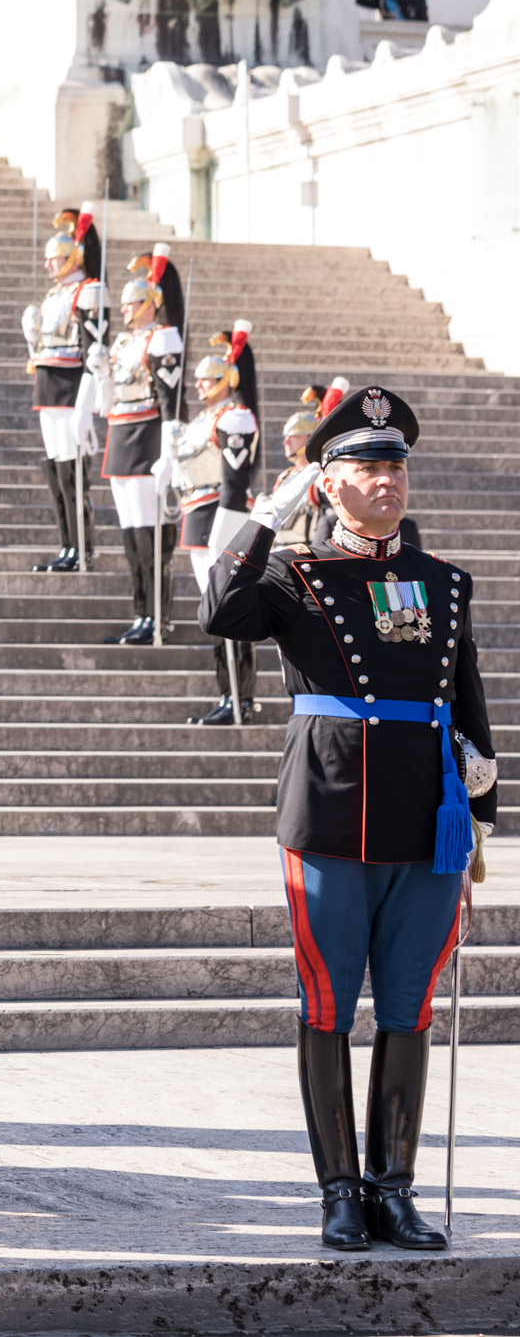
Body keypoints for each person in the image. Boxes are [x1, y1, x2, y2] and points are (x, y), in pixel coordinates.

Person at [202, 386, 496, 1253]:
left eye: (394, 466)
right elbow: (221, 608)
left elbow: (466, 694)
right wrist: (265, 515)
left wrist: (481, 809)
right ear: (327, 483)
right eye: (366, 467)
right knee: (329, 1002)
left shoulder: (444, 581)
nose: (386, 481)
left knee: (407, 1006)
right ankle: (338, 1191)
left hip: (428, 821)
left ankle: (392, 1189)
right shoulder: (294, 575)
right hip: (331, 811)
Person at [169, 324, 262, 726]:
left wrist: (227, 522)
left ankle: (241, 695)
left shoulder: (235, 417)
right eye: (199, 378)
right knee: (213, 611)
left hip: (222, 515)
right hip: (196, 516)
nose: (200, 384)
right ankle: (226, 692)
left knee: (231, 609)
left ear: (228, 379)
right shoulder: (200, 420)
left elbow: (235, 479)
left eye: (209, 378)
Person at [100, 244, 186, 645]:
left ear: (151, 302)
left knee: (152, 533)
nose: (123, 310)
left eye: (131, 302)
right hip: (120, 435)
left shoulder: (163, 338)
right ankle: (141, 611)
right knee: (131, 533)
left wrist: (170, 452)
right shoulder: (120, 342)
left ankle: (159, 615)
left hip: (148, 435)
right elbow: (109, 399)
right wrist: (98, 371)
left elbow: (171, 400)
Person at [21, 205, 107, 573]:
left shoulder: (89, 290)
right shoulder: (55, 294)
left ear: (73, 255)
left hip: (72, 385)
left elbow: (94, 350)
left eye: (53, 258)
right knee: (56, 468)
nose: (48, 265)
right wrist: (29, 334)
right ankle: (67, 544)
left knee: (73, 471)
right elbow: (43, 346)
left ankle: (82, 547)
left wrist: (86, 405)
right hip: (48, 384)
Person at [259, 379, 349, 550]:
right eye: (286, 436)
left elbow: (334, 518)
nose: (286, 441)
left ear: (310, 437)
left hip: (305, 553)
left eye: (293, 436)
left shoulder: (320, 476)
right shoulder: (285, 476)